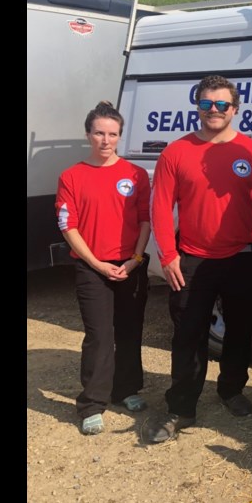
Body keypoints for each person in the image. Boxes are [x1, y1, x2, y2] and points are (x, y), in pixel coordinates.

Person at [147, 75, 252, 444]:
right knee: (188, 335)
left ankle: (231, 389)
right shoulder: (176, 152)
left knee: (241, 331)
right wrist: (168, 255)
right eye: (206, 104)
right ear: (197, 106)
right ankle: (181, 407)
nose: (213, 111)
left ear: (235, 109)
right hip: (192, 260)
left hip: (243, 256)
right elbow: (161, 208)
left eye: (222, 105)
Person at [55, 101, 152, 436]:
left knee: (129, 331)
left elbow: (144, 220)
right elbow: (69, 227)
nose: (106, 140)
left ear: (120, 136)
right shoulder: (71, 176)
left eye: (112, 134)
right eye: (99, 132)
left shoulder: (135, 174)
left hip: (130, 265)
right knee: (99, 336)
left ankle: (125, 390)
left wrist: (135, 260)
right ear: (88, 134)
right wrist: (96, 263)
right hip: (91, 267)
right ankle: (92, 404)